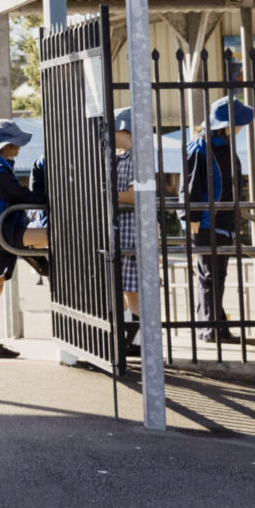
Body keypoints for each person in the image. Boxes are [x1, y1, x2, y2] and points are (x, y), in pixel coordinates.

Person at [0, 119, 47, 360]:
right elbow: (20, 195)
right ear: (1, 146)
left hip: (3, 230)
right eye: (14, 144)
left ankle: (39, 262)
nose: (18, 148)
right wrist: (42, 196)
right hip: (1, 232)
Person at [183, 97, 254, 342]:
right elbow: (190, 184)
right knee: (210, 275)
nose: (241, 127)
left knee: (215, 275)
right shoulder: (201, 146)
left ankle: (215, 325)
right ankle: (211, 328)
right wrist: (191, 215)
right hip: (205, 221)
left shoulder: (223, 144)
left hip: (222, 220)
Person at [111, 114, 140, 353]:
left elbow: (134, 196)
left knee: (131, 287)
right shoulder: (121, 158)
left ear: (126, 132)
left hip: (131, 228)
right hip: (121, 227)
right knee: (122, 285)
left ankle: (138, 338)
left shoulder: (137, 158)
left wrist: (107, 194)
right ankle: (130, 334)